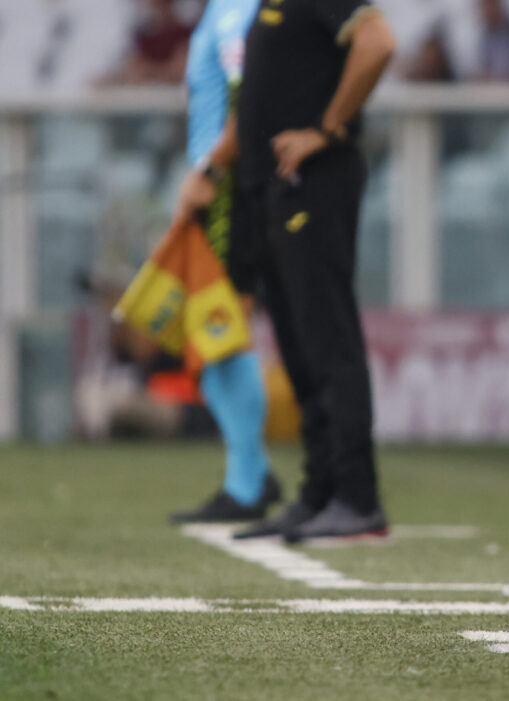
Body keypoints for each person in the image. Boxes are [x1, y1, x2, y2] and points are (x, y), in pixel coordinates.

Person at [176, 0, 396, 542]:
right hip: (268, 189)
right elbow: (253, 102)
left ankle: (356, 497)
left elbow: (379, 42)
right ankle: (319, 492)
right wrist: (210, 168)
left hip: (312, 181)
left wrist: (326, 129)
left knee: (327, 341)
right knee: (298, 348)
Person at [166, 0, 281, 523]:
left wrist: (209, 171)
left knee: (220, 332)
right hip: (216, 183)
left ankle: (248, 479)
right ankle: (251, 471)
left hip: (228, 189)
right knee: (215, 335)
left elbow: (247, 100)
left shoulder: (241, 11)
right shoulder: (221, 9)